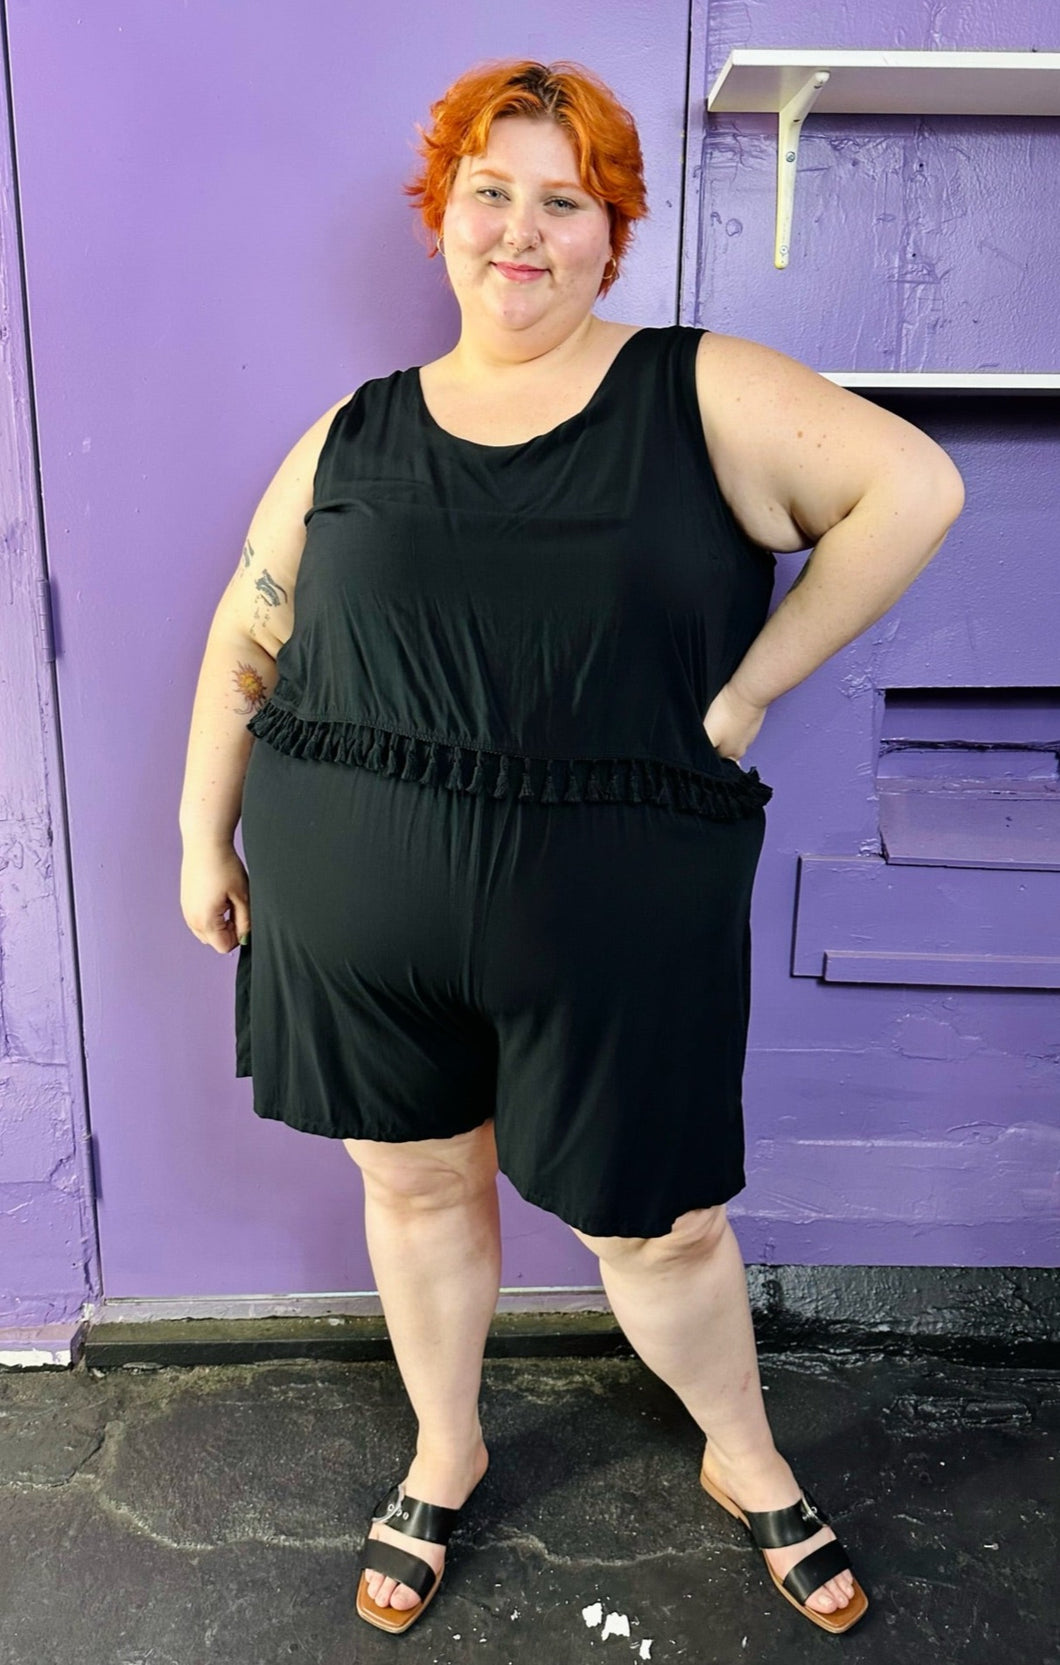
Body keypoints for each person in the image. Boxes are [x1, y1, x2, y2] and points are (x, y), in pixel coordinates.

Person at [179, 58, 964, 1639]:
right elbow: (250, 635)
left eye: (566, 200)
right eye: (491, 192)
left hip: (619, 921)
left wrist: (745, 690)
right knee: (412, 1189)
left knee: (658, 1225)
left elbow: (914, 484)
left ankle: (743, 1459)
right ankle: (446, 1445)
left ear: (615, 235)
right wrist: (201, 831)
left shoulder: (704, 390)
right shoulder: (358, 427)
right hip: (352, 905)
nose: (521, 231)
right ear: (443, 219)